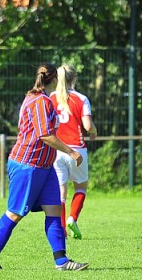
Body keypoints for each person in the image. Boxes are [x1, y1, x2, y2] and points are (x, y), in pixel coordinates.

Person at [0, 63, 88, 271]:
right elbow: (45, 135)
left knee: (55, 209)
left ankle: (62, 261)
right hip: (27, 165)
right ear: (54, 80)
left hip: (45, 166)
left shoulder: (40, 98)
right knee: (15, 213)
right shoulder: (40, 101)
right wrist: (71, 151)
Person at [50, 64, 97, 240]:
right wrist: (94, 132)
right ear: (74, 78)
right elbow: (87, 126)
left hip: (57, 149)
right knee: (81, 186)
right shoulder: (81, 99)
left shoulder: (51, 97)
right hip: (76, 149)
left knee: (61, 191)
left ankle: (61, 228)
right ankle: (72, 218)